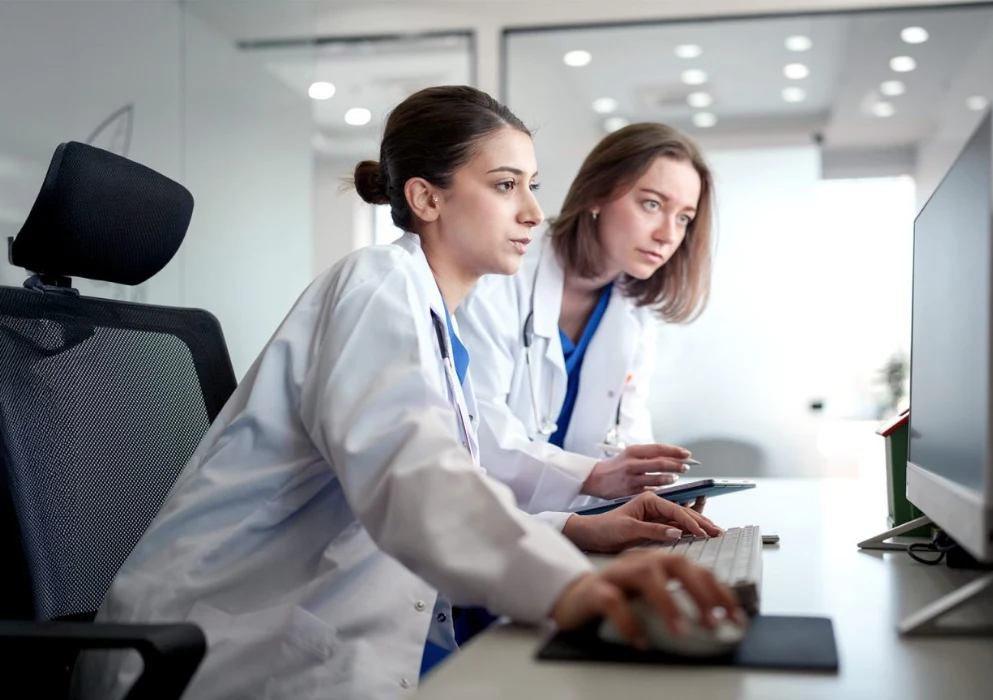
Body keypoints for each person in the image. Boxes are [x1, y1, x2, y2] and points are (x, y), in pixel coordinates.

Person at [74, 88, 738, 700]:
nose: (535, 213)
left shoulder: (431, 319)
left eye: (531, 187)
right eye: (506, 186)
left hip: (311, 632)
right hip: (214, 655)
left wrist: (576, 529)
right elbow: (412, 478)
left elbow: (422, 487)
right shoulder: (376, 288)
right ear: (426, 198)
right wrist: (570, 585)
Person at [458, 122, 714, 513]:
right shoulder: (499, 281)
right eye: (652, 204)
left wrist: (652, 494)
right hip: (485, 524)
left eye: (683, 218)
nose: (667, 234)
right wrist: (592, 476)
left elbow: (626, 429)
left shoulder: (633, 309)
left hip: (571, 527)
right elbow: (478, 430)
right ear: (597, 193)